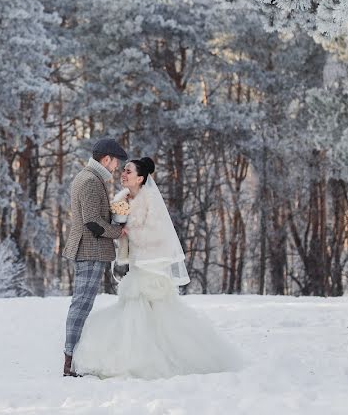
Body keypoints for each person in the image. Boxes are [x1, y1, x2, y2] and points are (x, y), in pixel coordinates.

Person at [71, 157, 244, 379]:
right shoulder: (121, 199)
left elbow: (158, 235)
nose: (123, 174)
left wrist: (128, 230)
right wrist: (118, 229)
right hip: (135, 263)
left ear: (141, 178)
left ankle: (157, 358)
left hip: (150, 265)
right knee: (134, 312)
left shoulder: (151, 200)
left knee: (152, 312)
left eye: (129, 172)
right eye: (123, 170)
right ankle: (131, 355)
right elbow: (117, 230)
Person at [61, 138, 128, 377]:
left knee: (81, 304)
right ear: (106, 158)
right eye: (115, 161)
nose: (116, 167)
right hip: (89, 250)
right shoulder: (90, 180)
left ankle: (72, 360)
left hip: (89, 249)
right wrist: (118, 231)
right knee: (81, 305)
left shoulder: (89, 177)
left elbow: (93, 214)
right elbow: (91, 222)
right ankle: (69, 363)